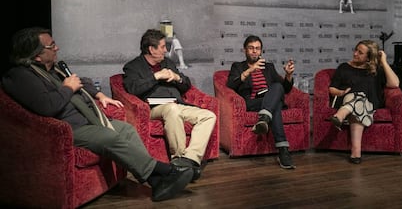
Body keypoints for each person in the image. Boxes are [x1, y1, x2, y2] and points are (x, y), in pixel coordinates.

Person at [1, 27, 194, 202]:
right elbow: (46, 106)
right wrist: (68, 89)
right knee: (109, 136)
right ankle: (164, 170)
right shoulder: (20, 76)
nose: (57, 48)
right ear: (36, 55)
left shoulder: (53, 70)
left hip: (87, 120)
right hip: (67, 129)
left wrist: (99, 94)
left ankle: (156, 182)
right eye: (51, 45)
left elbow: (82, 81)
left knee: (126, 130)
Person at [122, 29, 217, 181]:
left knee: (208, 115)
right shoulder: (133, 67)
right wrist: (156, 76)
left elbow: (186, 85)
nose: (166, 50)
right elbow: (132, 89)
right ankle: (177, 157)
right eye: (162, 47)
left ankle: (188, 161)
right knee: (172, 109)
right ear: (151, 49)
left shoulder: (168, 63)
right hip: (153, 109)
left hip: (177, 104)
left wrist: (177, 78)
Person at [226, 35, 296, 169]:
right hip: (252, 102)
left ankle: (265, 117)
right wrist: (250, 71)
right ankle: (283, 150)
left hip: (268, 102)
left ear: (261, 51)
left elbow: (285, 89)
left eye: (257, 49)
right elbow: (230, 85)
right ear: (244, 50)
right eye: (251, 48)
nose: (254, 51)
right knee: (276, 105)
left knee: (277, 87)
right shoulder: (238, 66)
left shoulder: (268, 67)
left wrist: (288, 75)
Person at [329, 40, 400, 164]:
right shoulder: (344, 67)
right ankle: (356, 153)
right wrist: (341, 93)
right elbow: (332, 88)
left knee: (359, 103)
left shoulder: (376, 70)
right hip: (346, 98)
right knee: (357, 101)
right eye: (355, 50)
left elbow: (394, 83)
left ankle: (340, 115)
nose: (355, 54)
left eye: (360, 52)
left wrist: (383, 61)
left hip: (369, 103)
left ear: (369, 57)